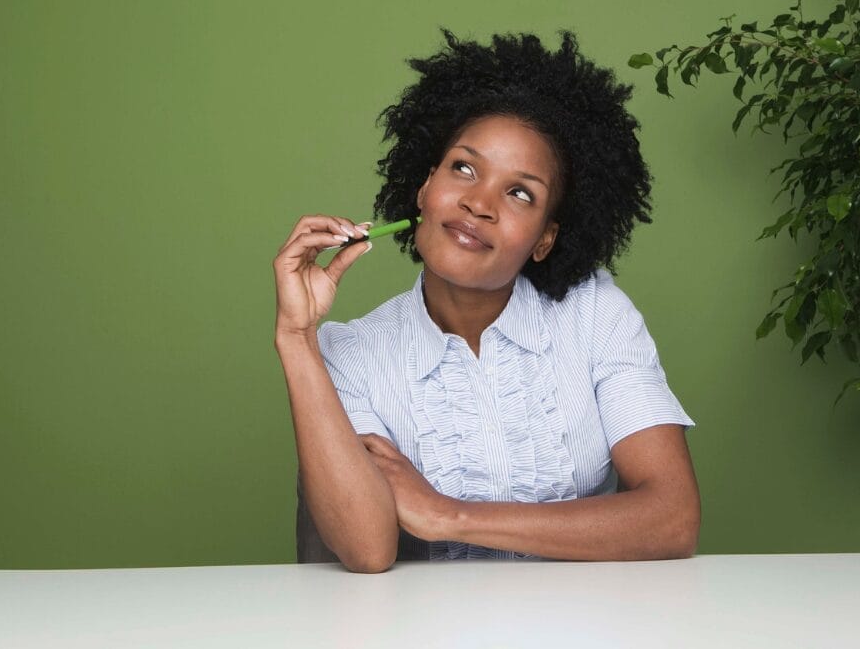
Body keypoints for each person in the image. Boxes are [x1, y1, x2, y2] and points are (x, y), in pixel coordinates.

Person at [273, 30, 699, 573]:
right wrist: (296, 337)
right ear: (425, 189)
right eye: (464, 168)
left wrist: (451, 516)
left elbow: (673, 519)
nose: (479, 203)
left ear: (545, 238)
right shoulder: (352, 352)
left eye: (520, 193)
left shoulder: (597, 315)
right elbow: (367, 549)